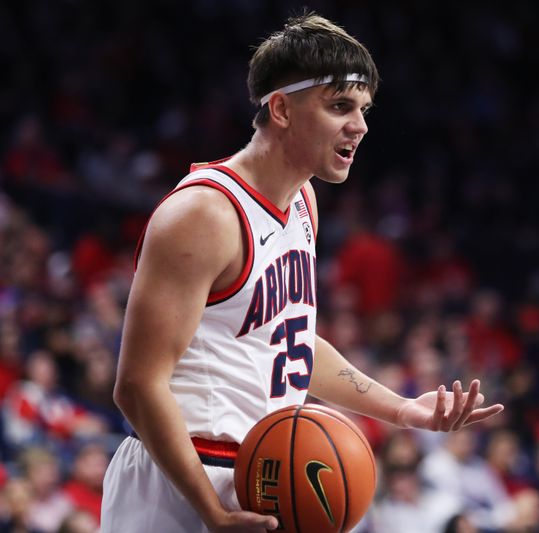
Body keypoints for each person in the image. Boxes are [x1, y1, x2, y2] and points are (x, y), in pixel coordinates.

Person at [100, 12, 504, 532]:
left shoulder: (303, 203)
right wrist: (212, 512)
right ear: (281, 108)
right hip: (181, 485)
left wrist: (404, 411)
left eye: (362, 108)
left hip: (261, 480)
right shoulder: (204, 214)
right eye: (339, 106)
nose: (359, 125)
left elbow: (289, 346)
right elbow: (136, 385)